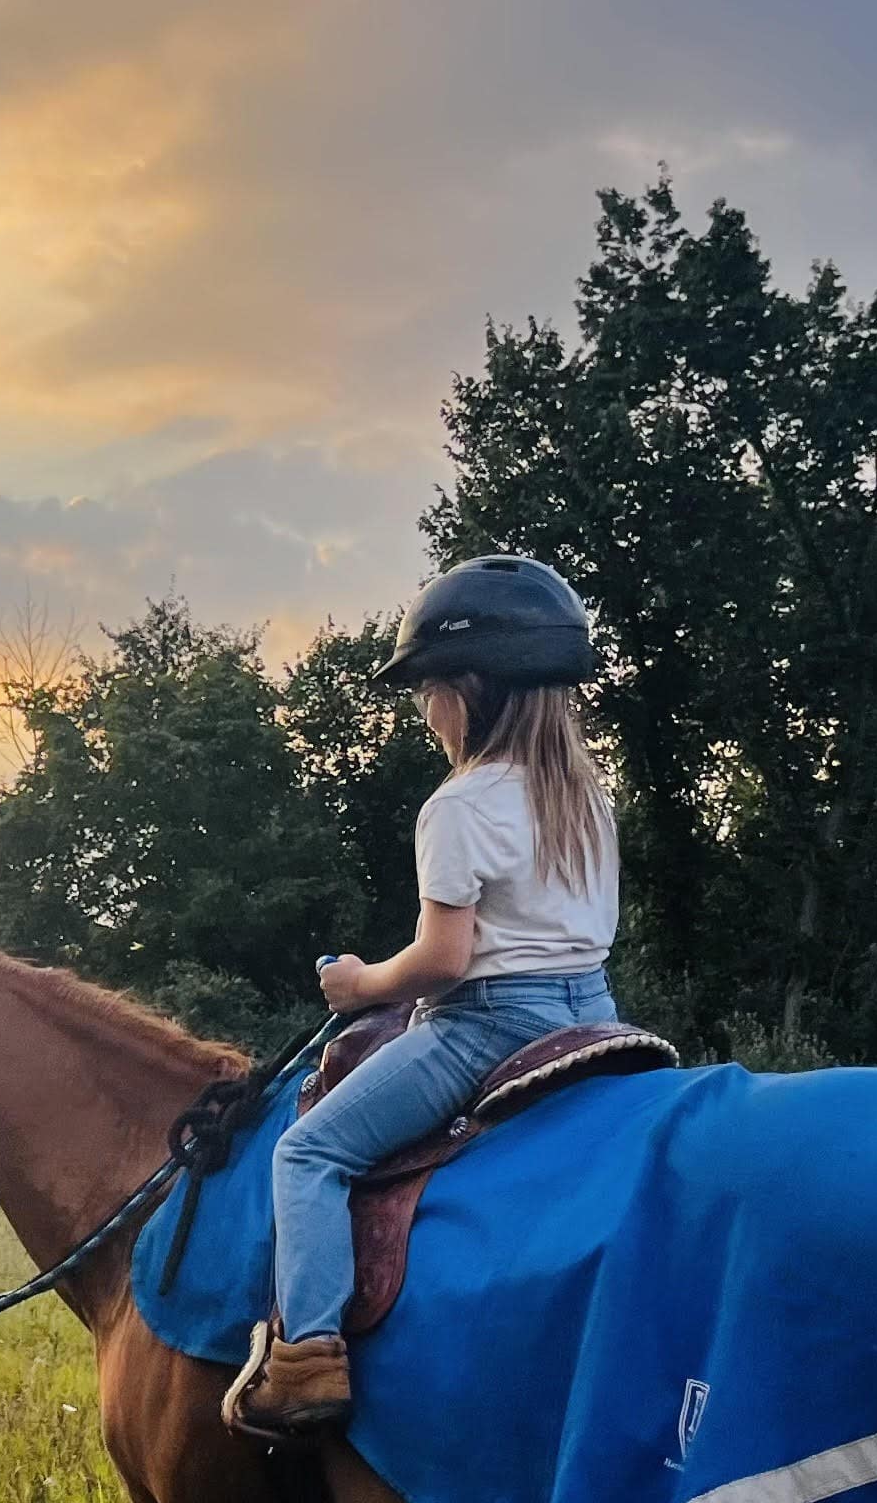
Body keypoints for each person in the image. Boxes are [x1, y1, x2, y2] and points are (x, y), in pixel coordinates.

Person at [227, 555, 622, 1444]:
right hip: (596, 1016)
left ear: (470, 691)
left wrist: (359, 984)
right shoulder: (583, 795)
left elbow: (445, 961)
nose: (425, 713)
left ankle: (309, 1359)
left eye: (429, 691)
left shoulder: (461, 803)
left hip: (487, 1026)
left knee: (306, 1153)